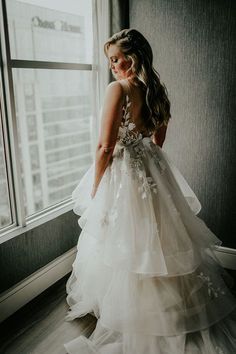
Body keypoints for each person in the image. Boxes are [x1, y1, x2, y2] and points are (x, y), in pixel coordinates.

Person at [64, 29, 236, 353]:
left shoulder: (118, 89)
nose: (112, 66)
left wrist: (97, 188)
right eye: (110, 60)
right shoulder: (155, 90)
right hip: (151, 166)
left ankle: (132, 308)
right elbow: (158, 142)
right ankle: (170, 302)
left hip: (124, 170)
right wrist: (142, 149)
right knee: (158, 235)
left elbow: (104, 146)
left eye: (116, 59)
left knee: (128, 240)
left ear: (133, 58)